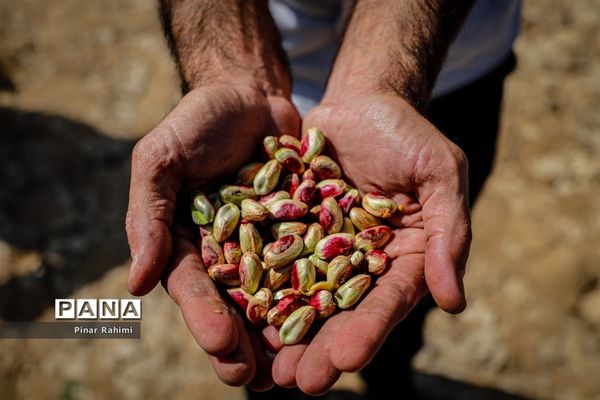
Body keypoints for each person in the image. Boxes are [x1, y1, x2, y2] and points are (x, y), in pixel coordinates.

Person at [125, 0, 520, 397]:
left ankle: (392, 378)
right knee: (269, 361)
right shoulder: (278, 209)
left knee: (408, 305)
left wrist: (381, 80)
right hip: (268, 82)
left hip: (445, 64)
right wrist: (229, 72)